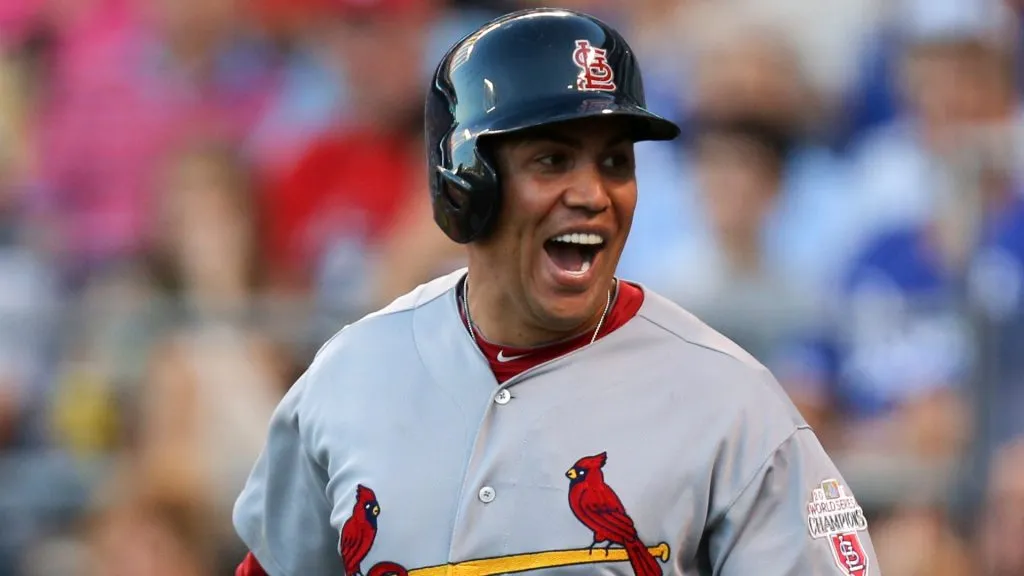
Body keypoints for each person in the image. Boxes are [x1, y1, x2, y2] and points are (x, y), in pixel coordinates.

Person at [232, 8, 880, 576]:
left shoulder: (734, 404)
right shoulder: (349, 377)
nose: (593, 194)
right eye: (553, 161)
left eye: (615, 162)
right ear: (467, 183)